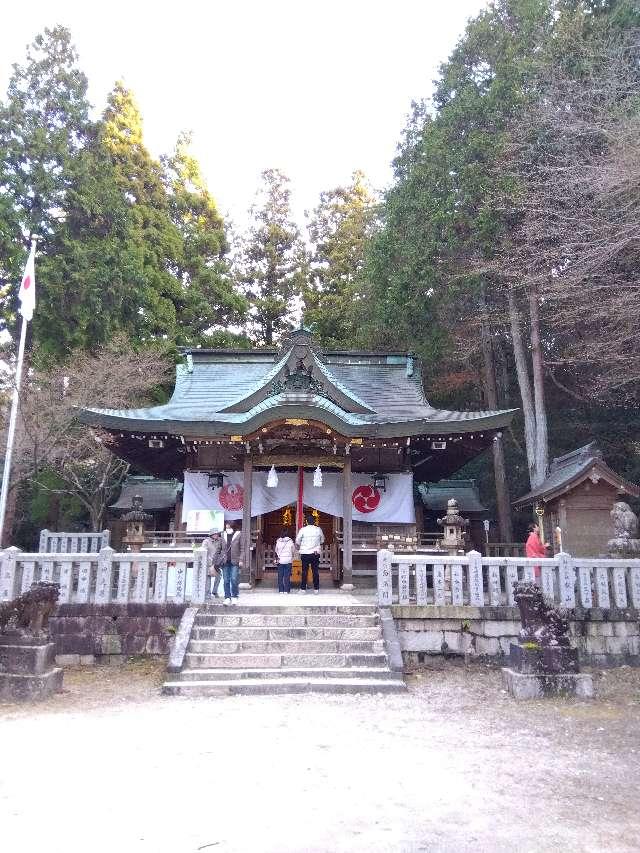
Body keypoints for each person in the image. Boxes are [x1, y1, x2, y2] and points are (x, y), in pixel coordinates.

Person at [295, 516, 324, 594]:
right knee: (315, 571)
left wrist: (302, 544)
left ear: (307, 522)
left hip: (305, 552)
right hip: (315, 552)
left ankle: (303, 589)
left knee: (304, 571)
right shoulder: (318, 529)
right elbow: (322, 540)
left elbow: (297, 541)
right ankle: (316, 589)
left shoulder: (303, 530)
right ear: (314, 522)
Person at [221, 521, 244, 605]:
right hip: (225, 561)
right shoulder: (222, 535)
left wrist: (241, 559)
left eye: (229, 527)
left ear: (233, 527)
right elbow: (219, 548)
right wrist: (217, 560)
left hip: (235, 560)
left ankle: (234, 596)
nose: (227, 529)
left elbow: (242, 548)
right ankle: (227, 597)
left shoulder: (238, 535)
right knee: (226, 580)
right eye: (226, 527)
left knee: (234, 579)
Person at [202, 530, 223, 600]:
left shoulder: (219, 541)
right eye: (215, 534)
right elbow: (204, 552)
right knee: (208, 578)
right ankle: (207, 594)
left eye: (217, 534)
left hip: (216, 563)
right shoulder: (206, 541)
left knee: (219, 575)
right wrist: (210, 561)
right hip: (208, 563)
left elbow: (220, 551)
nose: (217, 535)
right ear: (212, 534)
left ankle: (214, 591)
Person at [274, 528, 295, 594]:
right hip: (288, 560)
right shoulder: (290, 541)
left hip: (280, 560)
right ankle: (286, 590)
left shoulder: (278, 541)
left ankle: (281, 590)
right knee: (287, 575)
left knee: (280, 575)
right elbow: (293, 550)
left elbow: (276, 550)